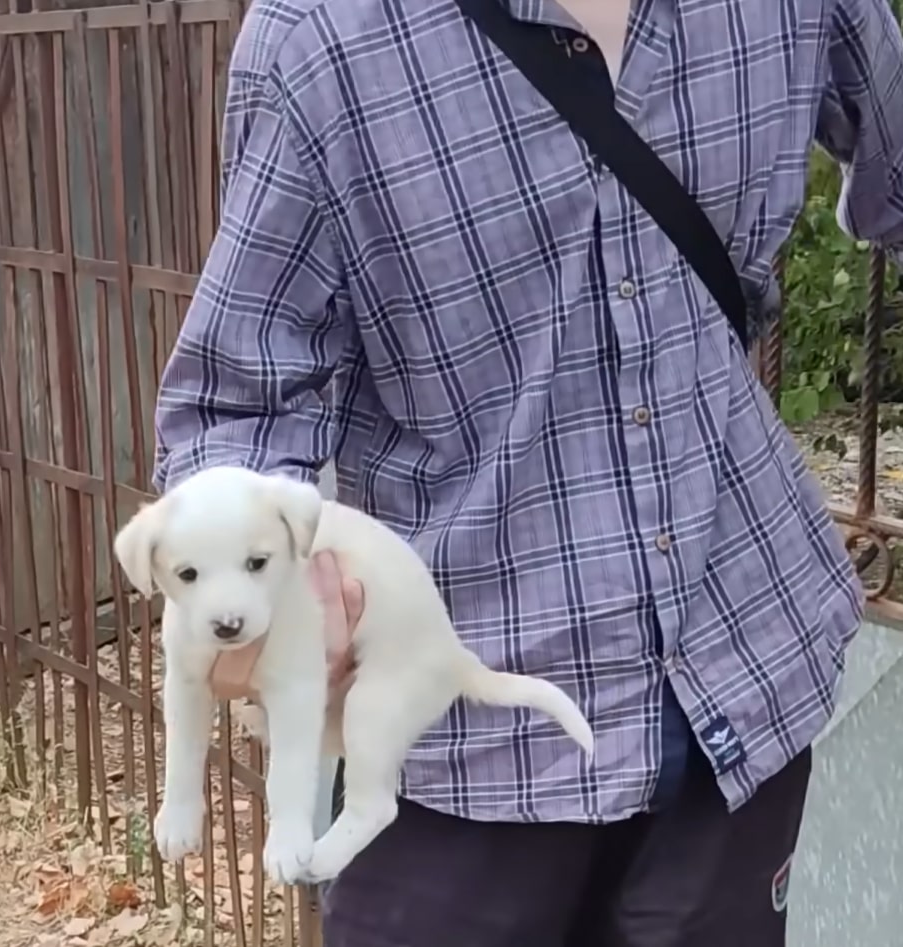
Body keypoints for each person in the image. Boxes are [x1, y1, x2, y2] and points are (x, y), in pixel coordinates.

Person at [152, 0, 903, 944]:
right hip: (462, 738)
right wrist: (262, 579)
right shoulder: (327, 35)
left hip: (743, 675)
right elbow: (238, 400)